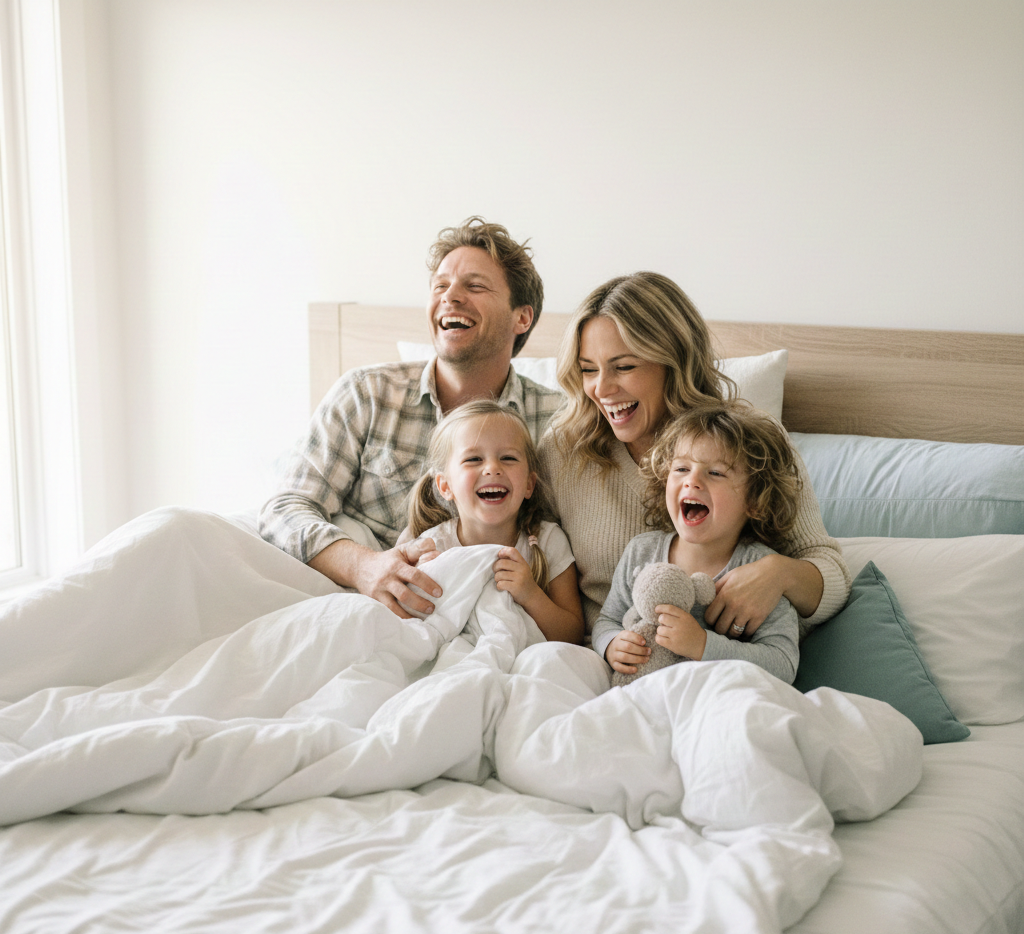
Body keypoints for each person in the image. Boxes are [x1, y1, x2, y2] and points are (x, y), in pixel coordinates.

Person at [258, 217, 563, 620]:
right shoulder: (367, 394)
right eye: (440, 286)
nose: (450, 297)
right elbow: (285, 506)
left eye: (474, 285)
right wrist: (364, 566)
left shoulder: (558, 421)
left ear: (521, 318)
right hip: (358, 608)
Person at [541, 271, 850, 647]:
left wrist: (777, 574)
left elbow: (832, 576)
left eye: (624, 366)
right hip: (606, 666)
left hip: (728, 670)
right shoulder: (564, 451)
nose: (601, 389)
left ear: (674, 360)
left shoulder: (749, 440)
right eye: (588, 369)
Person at [594, 402, 801, 683]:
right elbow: (607, 620)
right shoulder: (641, 551)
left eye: (715, 472)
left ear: (755, 500)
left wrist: (703, 645)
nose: (692, 481)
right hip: (641, 698)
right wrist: (612, 644)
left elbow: (783, 664)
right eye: (681, 468)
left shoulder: (758, 572)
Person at [402, 400, 584, 644]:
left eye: (508, 457)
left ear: (529, 484)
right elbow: (405, 626)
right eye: (474, 459)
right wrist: (425, 579)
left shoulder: (547, 540)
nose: (492, 468)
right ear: (446, 486)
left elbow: (572, 636)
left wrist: (530, 594)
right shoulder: (434, 545)